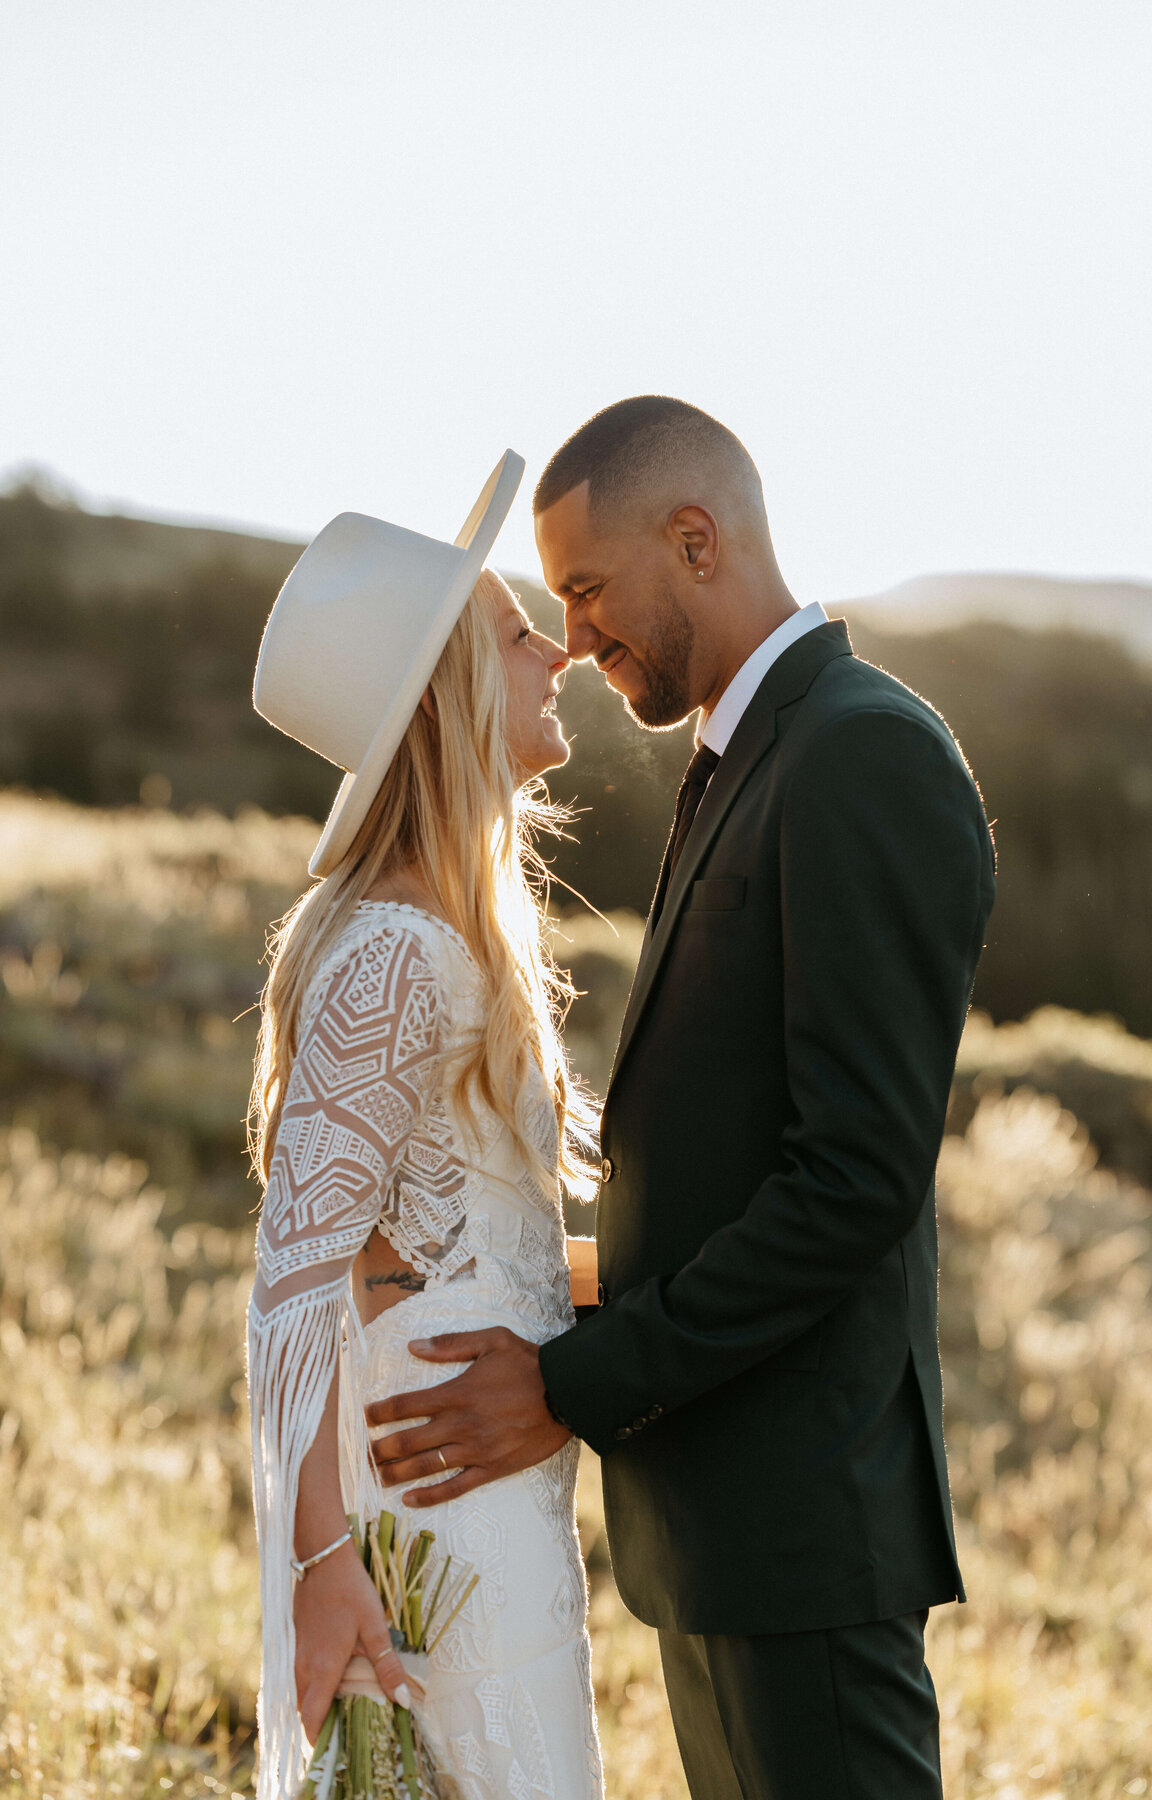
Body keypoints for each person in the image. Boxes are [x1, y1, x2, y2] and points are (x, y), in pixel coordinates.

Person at [367, 399, 997, 1799]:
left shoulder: (858, 755)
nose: (577, 641)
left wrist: (572, 1385)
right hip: (721, 1517)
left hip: (805, 1515)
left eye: (588, 592)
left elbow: (852, 1182)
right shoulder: (746, 759)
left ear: (697, 540)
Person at [245, 453, 605, 1800]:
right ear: (453, 689)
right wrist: (323, 1572)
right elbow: (291, 1284)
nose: (557, 650)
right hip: (426, 1503)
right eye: (519, 635)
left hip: (487, 1488)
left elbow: (471, 1248)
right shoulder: (392, 949)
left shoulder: (446, 929)